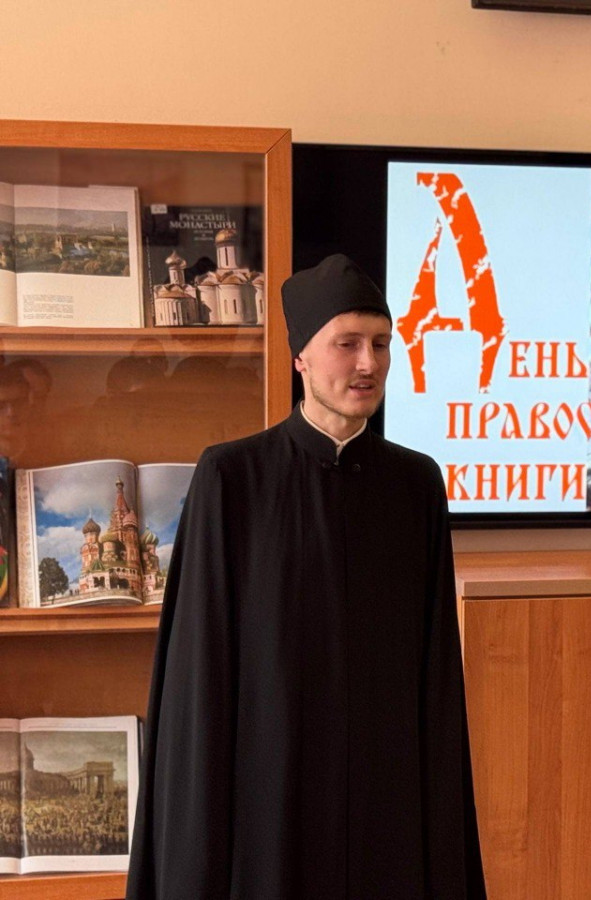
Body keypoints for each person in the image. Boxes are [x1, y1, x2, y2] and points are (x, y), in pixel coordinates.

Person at [126, 254, 486, 899]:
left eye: (381, 344)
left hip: (386, 806)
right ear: (301, 358)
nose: (368, 363)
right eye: (346, 344)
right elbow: (198, 678)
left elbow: (435, 679)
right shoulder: (232, 479)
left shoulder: (416, 485)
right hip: (268, 807)